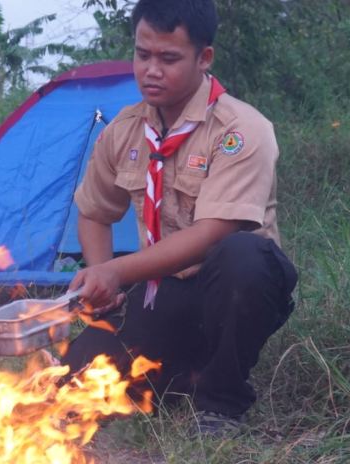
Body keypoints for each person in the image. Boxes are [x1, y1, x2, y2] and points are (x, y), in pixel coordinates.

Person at [61, 0, 298, 434]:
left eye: (169, 58)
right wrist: (101, 279)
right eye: (142, 54)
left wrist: (117, 270)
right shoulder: (125, 130)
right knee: (74, 377)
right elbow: (94, 212)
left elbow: (213, 235)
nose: (151, 70)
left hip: (232, 290)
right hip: (164, 291)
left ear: (203, 58)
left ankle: (221, 401)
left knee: (242, 256)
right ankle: (184, 376)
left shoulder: (240, 129)